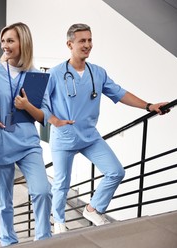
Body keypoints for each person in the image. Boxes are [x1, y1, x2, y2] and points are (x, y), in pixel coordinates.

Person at [47, 23, 170, 234]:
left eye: (89, 40)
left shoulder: (98, 73)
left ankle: (92, 208)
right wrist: (55, 121)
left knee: (116, 171)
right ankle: (58, 222)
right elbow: (41, 103)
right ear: (70, 44)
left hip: (89, 137)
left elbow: (120, 94)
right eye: (82, 41)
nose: (87, 45)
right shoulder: (56, 73)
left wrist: (149, 106)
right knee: (61, 184)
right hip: (64, 137)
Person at [0, 22, 52, 246]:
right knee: (4, 202)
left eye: (10, 41)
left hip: (28, 143)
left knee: (43, 191)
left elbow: (44, 116)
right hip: (0, 142)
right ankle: (8, 242)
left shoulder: (37, 76)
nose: (5, 45)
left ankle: (44, 240)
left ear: (23, 43)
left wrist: (27, 106)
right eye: (3, 41)